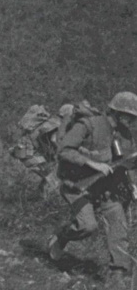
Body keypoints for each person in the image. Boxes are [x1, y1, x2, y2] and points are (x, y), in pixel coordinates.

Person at [48, 92, 137, 288]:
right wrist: (92, 163)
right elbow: (63, 151)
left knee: (118, 225)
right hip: (76, 185)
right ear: (116, 112)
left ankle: (118, 275)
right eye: (128, 115)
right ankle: (61, 237)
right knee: (87, 226)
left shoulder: (125, 135)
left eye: (133, 117)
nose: (131, 120)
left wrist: (132, 184)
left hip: (104, 188)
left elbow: (123, 164)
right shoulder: (88, 125)